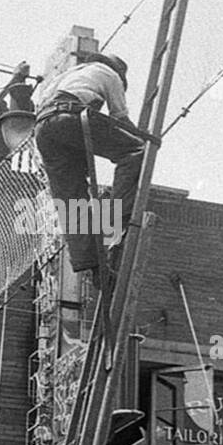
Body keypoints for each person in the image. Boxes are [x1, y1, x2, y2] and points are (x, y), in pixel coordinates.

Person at [32, 52, 153, 277]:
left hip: (43, 129)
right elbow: (120, 118)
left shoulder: (70, 75)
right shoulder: (110, 74)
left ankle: (91, 263)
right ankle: (115, 221)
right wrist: (143, 138)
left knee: (72, 199)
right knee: (134, 151)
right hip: (69, 117)